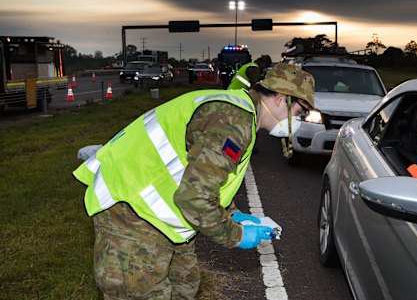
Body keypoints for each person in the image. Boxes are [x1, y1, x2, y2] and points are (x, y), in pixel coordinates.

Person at [72, 63, 315, 300]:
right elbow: (194, 198)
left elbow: (204, 177)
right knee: (140, 292)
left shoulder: (240, 113)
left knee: (185, 283)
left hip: (159, 211)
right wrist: (236, 234)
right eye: (300, 113)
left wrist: (232, 214)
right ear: (281, 98)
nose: (300, 121)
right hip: (130, 209)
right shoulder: (234, 122)